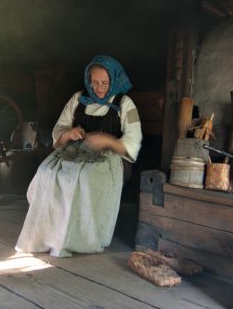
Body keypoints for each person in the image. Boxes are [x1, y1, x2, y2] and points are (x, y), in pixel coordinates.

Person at [15, 55, 142, 257]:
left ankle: (77, 239)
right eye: (95, 83)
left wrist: (108, 140)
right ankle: (47, 236)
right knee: (46, 172)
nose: (99, 88)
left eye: (104, 83)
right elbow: (60, 130)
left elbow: (134, 141)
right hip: (76, 152)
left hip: (110, 158)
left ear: (114, 80)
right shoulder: (78, 98)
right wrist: (69, 134)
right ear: (88, 80)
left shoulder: (125, 104)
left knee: (82, 178)